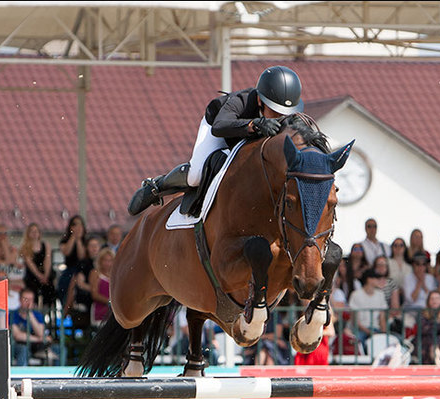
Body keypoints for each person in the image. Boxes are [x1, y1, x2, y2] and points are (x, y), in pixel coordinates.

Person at [128, 65, 304, 215]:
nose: (280, 118)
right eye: (275, 111)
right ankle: (157, 186)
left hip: (244, 133)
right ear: (259, 100)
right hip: (221, 128)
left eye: (285, 113)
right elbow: (219, 126)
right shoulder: (241, 101)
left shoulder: (288, 117)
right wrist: (254, 125)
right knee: (195, 176)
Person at [10, 288, 56, 366]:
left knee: (59, 349)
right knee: (23, 350)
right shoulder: (12, 315)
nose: (28, 303)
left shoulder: (38, 315)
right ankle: (21, 375)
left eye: (30, 299)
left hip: (36, 346)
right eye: (25, 299)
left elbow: (40, 333)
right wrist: (39, 339)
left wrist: (30, 315)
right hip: (18, 345)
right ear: (19, 300)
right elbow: (18, 336)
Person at [348, 269, 388, 351]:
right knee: (357, 342)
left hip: (376, 329)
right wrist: (370, 332)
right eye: (376, 278)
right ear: (369, 279)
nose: (379, 280)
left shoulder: (380, 295)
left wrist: (384, 334)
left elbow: (382, 318)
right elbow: (356, 321)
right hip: (360, 330)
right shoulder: (356, 295)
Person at [19, 222, 56, 308]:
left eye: (36, 231)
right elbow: (31, 265)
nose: (35, 233)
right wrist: (39, 276)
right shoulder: (25, 248)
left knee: (49, 290)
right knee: (33, 289)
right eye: (32, 231)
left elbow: (47, 260)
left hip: (45, 273)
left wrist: (46, 275)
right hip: (32, 276)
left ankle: (48, 308)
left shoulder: (46, 245)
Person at [415, 290, 440, 365]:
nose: (435, 301)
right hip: (425, 341)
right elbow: (428, 331)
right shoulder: (422, 314)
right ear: (428, 301)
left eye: (437, 298)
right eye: (432, 299)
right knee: (434, 346)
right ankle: (438, 366)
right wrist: (439, 318)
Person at [57, 215, 87, 305]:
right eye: (75, 225)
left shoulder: (85, 241)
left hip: (82, 270)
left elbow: (82, 256)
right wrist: (73, 236)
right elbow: (66, 251)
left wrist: (79, 240)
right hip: (69, 270)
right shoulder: (65, 240)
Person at [89, 248, 114, 327]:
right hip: (100, 310)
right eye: (105, 260)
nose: (107, 263)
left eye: (110, 260)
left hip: (113, 311)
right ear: (100, 261)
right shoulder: (95, 273)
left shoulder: (115, 275)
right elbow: (94, 294)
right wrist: (110, 302)